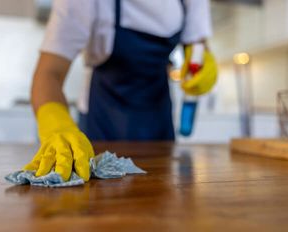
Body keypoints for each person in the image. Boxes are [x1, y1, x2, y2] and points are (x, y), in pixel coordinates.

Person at [23, 0, 218, 182]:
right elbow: (49, 74)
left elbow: (197, 44)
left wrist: (202, 63)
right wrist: (57, 126)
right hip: (103, 115)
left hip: (158, 115)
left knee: (162, 194)